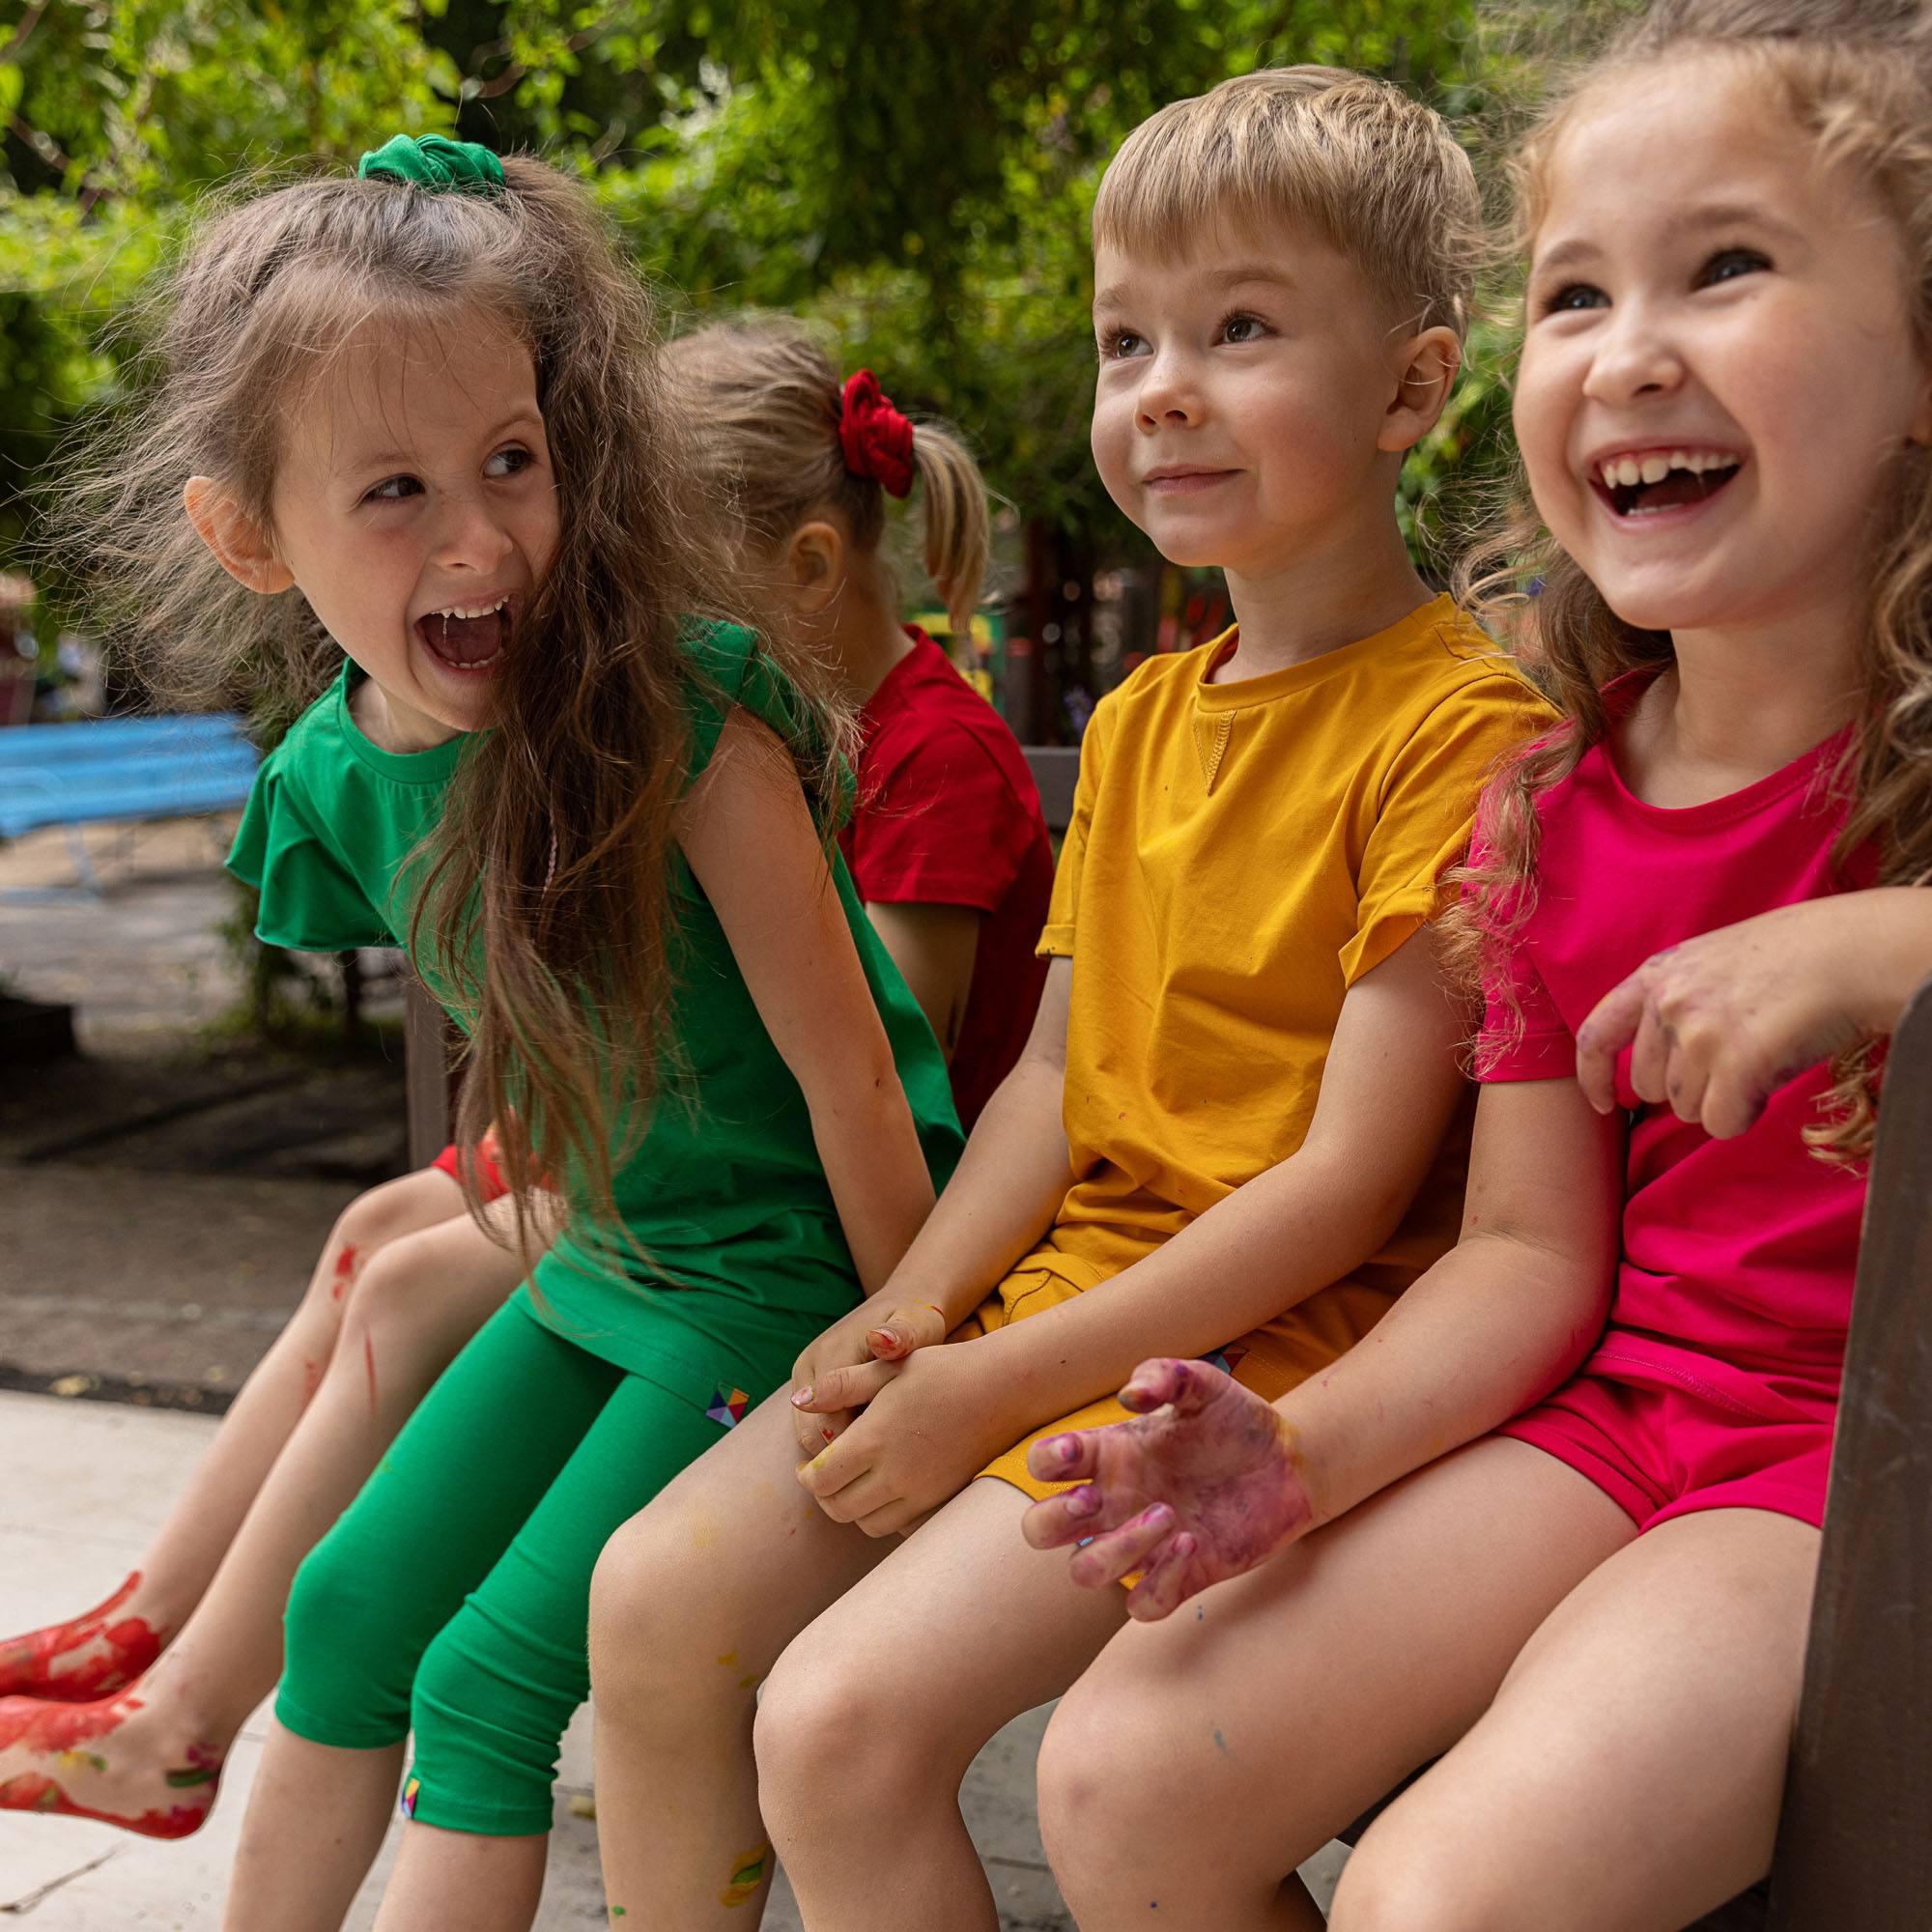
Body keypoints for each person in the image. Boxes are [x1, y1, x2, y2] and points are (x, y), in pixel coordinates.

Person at [586, 69, 1549, 1928]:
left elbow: (1352, 1187)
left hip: (1260, 1355)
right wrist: (919, 1307)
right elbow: (1050, 1082)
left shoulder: (1466, 734)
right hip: (1052, 1312)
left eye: (1241, 328)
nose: (1162, 385)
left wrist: (989, 1386)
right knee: (660, 1600)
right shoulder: (1138, 718)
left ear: (1414, 388)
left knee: (840, 1724)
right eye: (1128, 340)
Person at [1021, 7, 1932, 1928]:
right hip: (1619, 1418)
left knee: (1438, 1900)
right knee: (1114, 1782)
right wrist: (1296, 1460)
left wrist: (1887, 934)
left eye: (1726, 266)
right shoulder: (1543, 803)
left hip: (1849, 1467)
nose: (1627, 350)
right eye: (1576, 292)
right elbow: (1528, 1256)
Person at [0, 134, 961, 1932]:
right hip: (614, 1253)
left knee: (486, 1684)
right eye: (392, 491)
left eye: (509, 462)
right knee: (350, 1614)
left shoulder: (681, 719)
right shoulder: (335, 782)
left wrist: (916, 1370)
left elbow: (854, 1078)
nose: (477, 535)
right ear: (249, 535)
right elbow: (536, 1034)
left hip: (789, 1276)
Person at [667, 319, 1054, 1129]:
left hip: (911, 1212)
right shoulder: (773, 736)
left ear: (808, 567)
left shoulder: (937, 760)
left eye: (678, 581)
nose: (651, 618)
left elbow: (884, 1082)